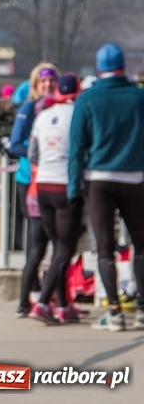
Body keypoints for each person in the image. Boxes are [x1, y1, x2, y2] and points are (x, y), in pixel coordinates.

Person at [69, 44, 144, 331]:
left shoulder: (87, 99)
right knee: (141, 246)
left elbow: (77, 148)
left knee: (104, 249)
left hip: (99, 179)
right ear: (123, 67)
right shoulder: (139, 97)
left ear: (99, 69)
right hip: (135, 178)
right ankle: (142, 309)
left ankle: (114, 312)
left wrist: (74, 191)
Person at [27, 73, 85, 324]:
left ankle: (62, 306)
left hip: (43, 186)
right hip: (66, 185)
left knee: (57, 247)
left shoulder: (41, 115)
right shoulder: (79, 114)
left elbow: (32, 154)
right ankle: (41, 304)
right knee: (64, 250)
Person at [8, 61, 59, 315]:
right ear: (35, 84)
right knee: (35, 239)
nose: (48, 85)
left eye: (52, 81)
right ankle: (33, 291)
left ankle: (52, 295)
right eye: (43, 81)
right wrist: (39, 150)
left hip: (51, 180)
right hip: (29, 180)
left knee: (53, 240)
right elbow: (14, 145)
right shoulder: (29, 108)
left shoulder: (59, 108)